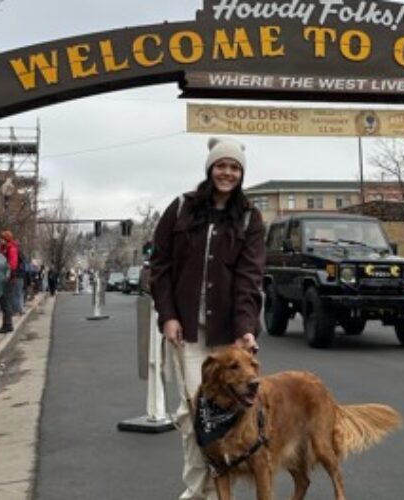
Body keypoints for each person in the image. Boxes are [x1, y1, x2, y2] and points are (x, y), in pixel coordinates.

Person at [150, 137, 264, 500]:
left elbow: (250, 277)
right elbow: (160, 266)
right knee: (191, 415)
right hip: (186, 331)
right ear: (210, 168)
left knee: (226, 417)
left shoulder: (250, 218)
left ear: (241, 173)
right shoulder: (181, 208)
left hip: (227, 334)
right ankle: (198, 491)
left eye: (234, 167)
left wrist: (245, 329)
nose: (227, 172)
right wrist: (168, 316)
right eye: (221, 165)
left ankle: (212, 494)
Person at [0, 230, 18, 332]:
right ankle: (7, 323)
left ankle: (8, 324)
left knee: (6, 302)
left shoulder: (11, 248)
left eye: (2, 238)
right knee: (4, 302)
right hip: (5, 277)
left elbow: (12, 264)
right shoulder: (5, 248)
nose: (0, 240)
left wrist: (7, 276)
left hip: (8, 279)